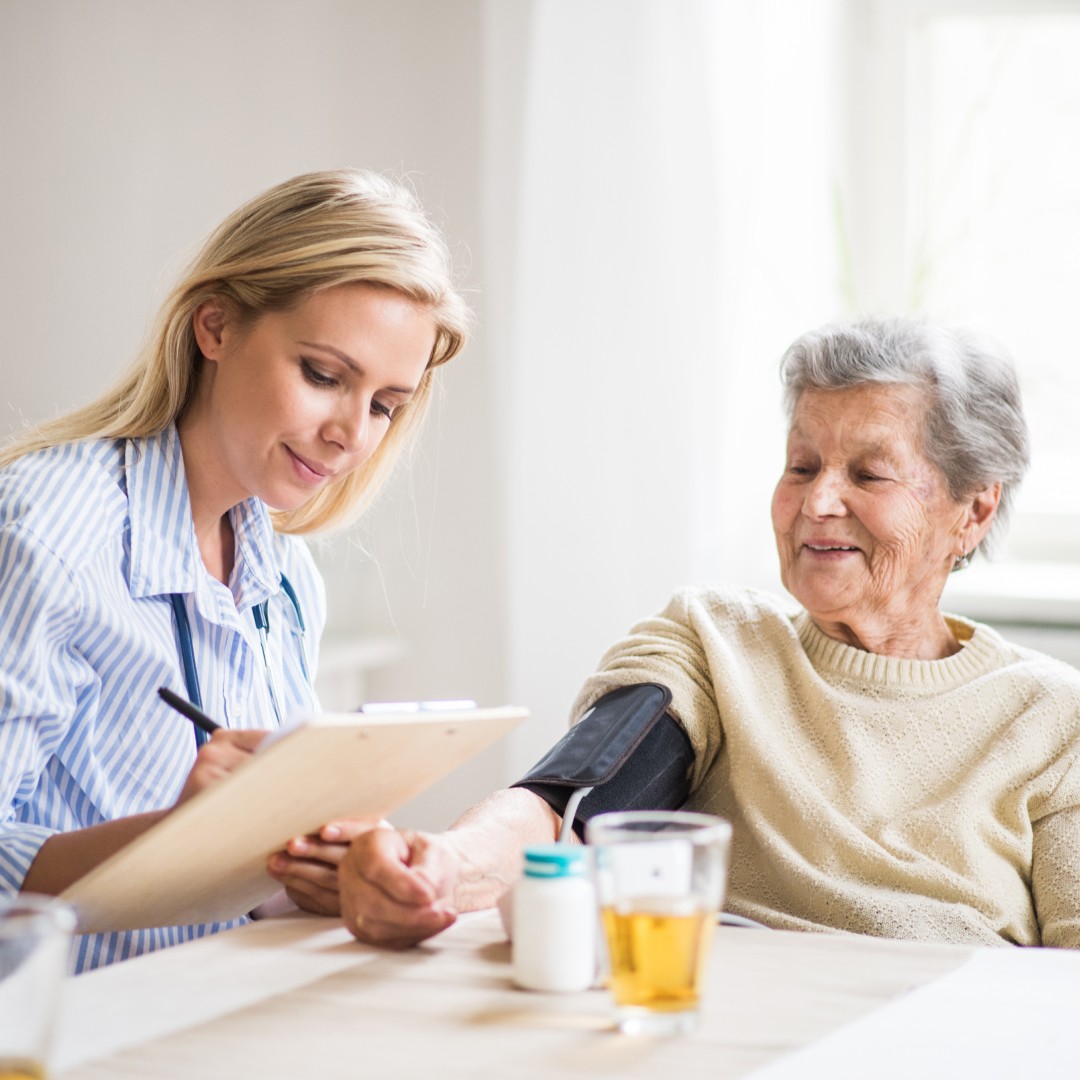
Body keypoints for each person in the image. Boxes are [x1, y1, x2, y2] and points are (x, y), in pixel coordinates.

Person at [334, 315, 1080, 951]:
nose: (818, 500)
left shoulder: (1051, 720)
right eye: (802, 464)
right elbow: (571, 795)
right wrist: (445, 866)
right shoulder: (714, 641)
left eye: (869, 475)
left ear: (974, 511)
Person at [0, 169, 469, 971]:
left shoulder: (285, 576)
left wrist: (339, 869)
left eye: (385, 405)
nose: (352, 436)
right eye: (325, 376)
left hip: (208, 1006)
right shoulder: (46, 531)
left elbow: (260, 883)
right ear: (214, 326)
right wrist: (179, 842)